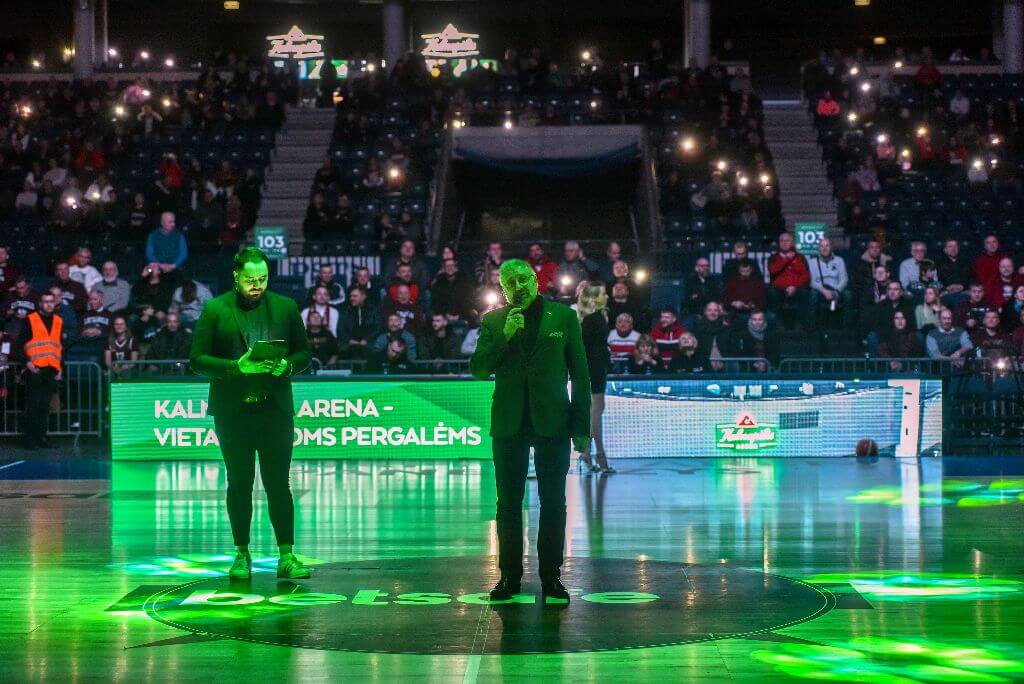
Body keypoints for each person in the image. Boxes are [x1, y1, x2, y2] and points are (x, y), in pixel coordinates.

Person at [469, 259, 590, 604]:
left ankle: (552, 577)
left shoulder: (564, 317)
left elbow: (580, 374)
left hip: (554, 422)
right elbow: (478, 369)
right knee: (508, 503)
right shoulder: (494, 321)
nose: (517, 285)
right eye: (509, 282)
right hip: (509, 424)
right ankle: (509, 577)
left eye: (523, 278)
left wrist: (582, 426)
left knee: (554, 502)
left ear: (535, 280)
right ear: (503, 288)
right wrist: (504, 338)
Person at [189, 247, 314, 581]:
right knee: (239, 483)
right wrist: (234, 367)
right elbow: (197, 359)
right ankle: (241, 553)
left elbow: (305, 353)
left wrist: (287, 366)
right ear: (235, 276)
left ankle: (287, 555)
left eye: (262, 279)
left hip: (275, 410)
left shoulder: (286, 307)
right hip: (232, 413)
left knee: (279, 484)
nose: (257, 285)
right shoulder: (216, 309)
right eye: (250, 279)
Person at [14, 292, 65, 450]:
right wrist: (27, 362)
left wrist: (60, 367)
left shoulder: (58, 321)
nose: (49, 304)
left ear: (55, 303)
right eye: (45, 301)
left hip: (51, 369)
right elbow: (19, 344)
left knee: (44, 406)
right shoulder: (31, 319)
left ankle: (42, 437)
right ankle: (30, 439)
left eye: (51, 301)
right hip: (35, 369)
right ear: (40, 304)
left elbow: (60, 346)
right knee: (33, 405)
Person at [576, 283, 613, 475]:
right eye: (603, 294)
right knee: (595, 412)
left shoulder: (589, 318)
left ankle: (586, 455)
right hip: (593, 368)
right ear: (594, 298)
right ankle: (598, 455)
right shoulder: (593, 318)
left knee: (597, 410)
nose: (606, 296)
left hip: (594, 368)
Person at [766, 232, 811, 327]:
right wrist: (786, 259)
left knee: (804, 292)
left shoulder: (800, 257)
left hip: (796, 288)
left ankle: (800, 324)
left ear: (792, 242)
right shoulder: (773, 257)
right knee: (772, 292)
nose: (784, 243)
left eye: (787, 241)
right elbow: (773, 271)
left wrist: (794, 286)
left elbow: (806, 276)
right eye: (782, 241)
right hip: (780, 288)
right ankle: (778, 324)